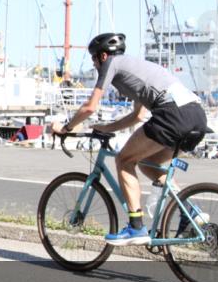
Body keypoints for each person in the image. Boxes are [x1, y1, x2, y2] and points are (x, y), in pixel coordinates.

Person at [50, 33, 208, 246]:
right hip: (196, 116)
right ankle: (190, 211)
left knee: (124, 161)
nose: (94, 65)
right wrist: (106, 127)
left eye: (94, 60)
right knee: (147, 163)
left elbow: (90, 106)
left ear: (103, 56)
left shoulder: (112, 64)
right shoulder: (134, 67)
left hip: (172, 115)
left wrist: (66, 128)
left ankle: (136, 228)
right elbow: (138, 116)